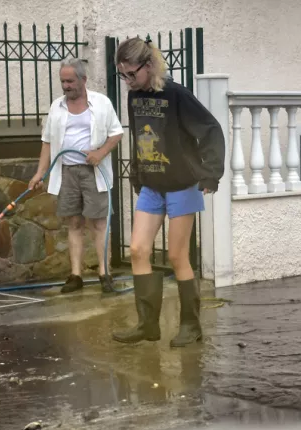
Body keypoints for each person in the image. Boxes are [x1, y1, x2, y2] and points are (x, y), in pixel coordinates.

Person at [110, 36, 225, 347]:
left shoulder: (176, 94)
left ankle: (191, 325)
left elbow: (210, 128)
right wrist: (137, 173)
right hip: (152, 184)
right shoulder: (135, 97)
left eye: (131, 74)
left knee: (177, 256)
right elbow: (138, 137)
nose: (127, 81)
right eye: (122, 75)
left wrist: (211, 173)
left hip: (182, 184)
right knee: (137, 251)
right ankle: (148, 324)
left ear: (148, 66)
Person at [29, 58, 124, 295]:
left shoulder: (101, 103)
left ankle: (105, 274)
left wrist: (100, 153)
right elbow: (47, 142)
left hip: (94, 172)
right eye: (63, 81)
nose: (66, 85)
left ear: (83, 79)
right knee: (73, 222)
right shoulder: (57, 107)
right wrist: (40, 173)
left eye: (70, 81)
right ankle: (76, 275)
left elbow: (116, 133)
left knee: (99, 223)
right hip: (67, 172)